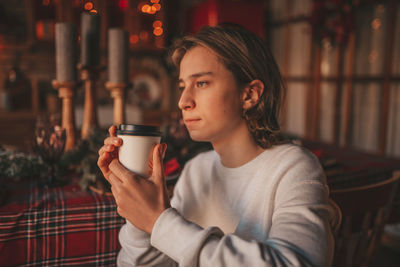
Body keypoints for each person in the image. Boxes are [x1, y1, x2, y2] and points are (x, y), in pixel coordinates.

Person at [97, 24, 339, 267]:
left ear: (249, 95)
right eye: (182, 86)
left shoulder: (293, 167)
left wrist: (158, 220)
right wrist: (140, 211)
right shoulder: (196, 170)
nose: (183, 101)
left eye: (201, 83)